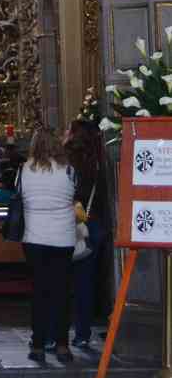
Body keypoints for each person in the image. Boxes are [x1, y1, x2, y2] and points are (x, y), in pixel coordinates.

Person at [20, 128, 76, 366]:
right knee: (62, 292)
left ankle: (38, 344)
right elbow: (75, 195)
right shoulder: (69, 170)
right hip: (63, 237)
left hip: (35, 236)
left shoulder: (25, 170)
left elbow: (20, 195)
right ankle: (62, 345)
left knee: (40, 292)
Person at [64, 119, 109, 349]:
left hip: (70, 226)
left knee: (61, 281)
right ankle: (82, 332)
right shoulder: (101, 161)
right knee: (86, 282)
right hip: (95, 226)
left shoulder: (67, 160)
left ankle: (57, 334)